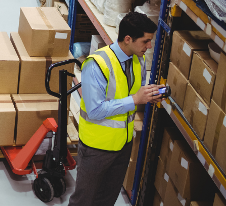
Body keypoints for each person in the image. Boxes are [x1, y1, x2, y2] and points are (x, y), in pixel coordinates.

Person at [68, 12, 163, 206]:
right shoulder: (96, 64)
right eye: (146, 41)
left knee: (107, 198)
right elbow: (95, 110)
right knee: (84, 200)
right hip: (98, 147)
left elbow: (129, 94)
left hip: (123, 144)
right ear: (128, 39)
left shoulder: (138, 60)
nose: (149, 46)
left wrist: (147, 96)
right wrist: (135, 99)